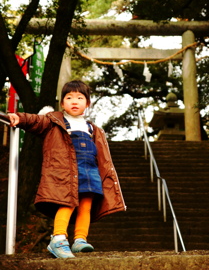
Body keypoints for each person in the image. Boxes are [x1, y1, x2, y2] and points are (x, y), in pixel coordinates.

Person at [8, 80, 126, 259]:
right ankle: (58, 239)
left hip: (90, 171)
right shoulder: (53, 121)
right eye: (69, 97)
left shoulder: (93, 129)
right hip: (66, 171)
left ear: (87, 103)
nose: (74, 101)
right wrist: (19, 117)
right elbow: (35, 120)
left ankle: (80, 240)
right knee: (67, 202)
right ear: (62, 103)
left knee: (85, 206)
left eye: (80, 98)